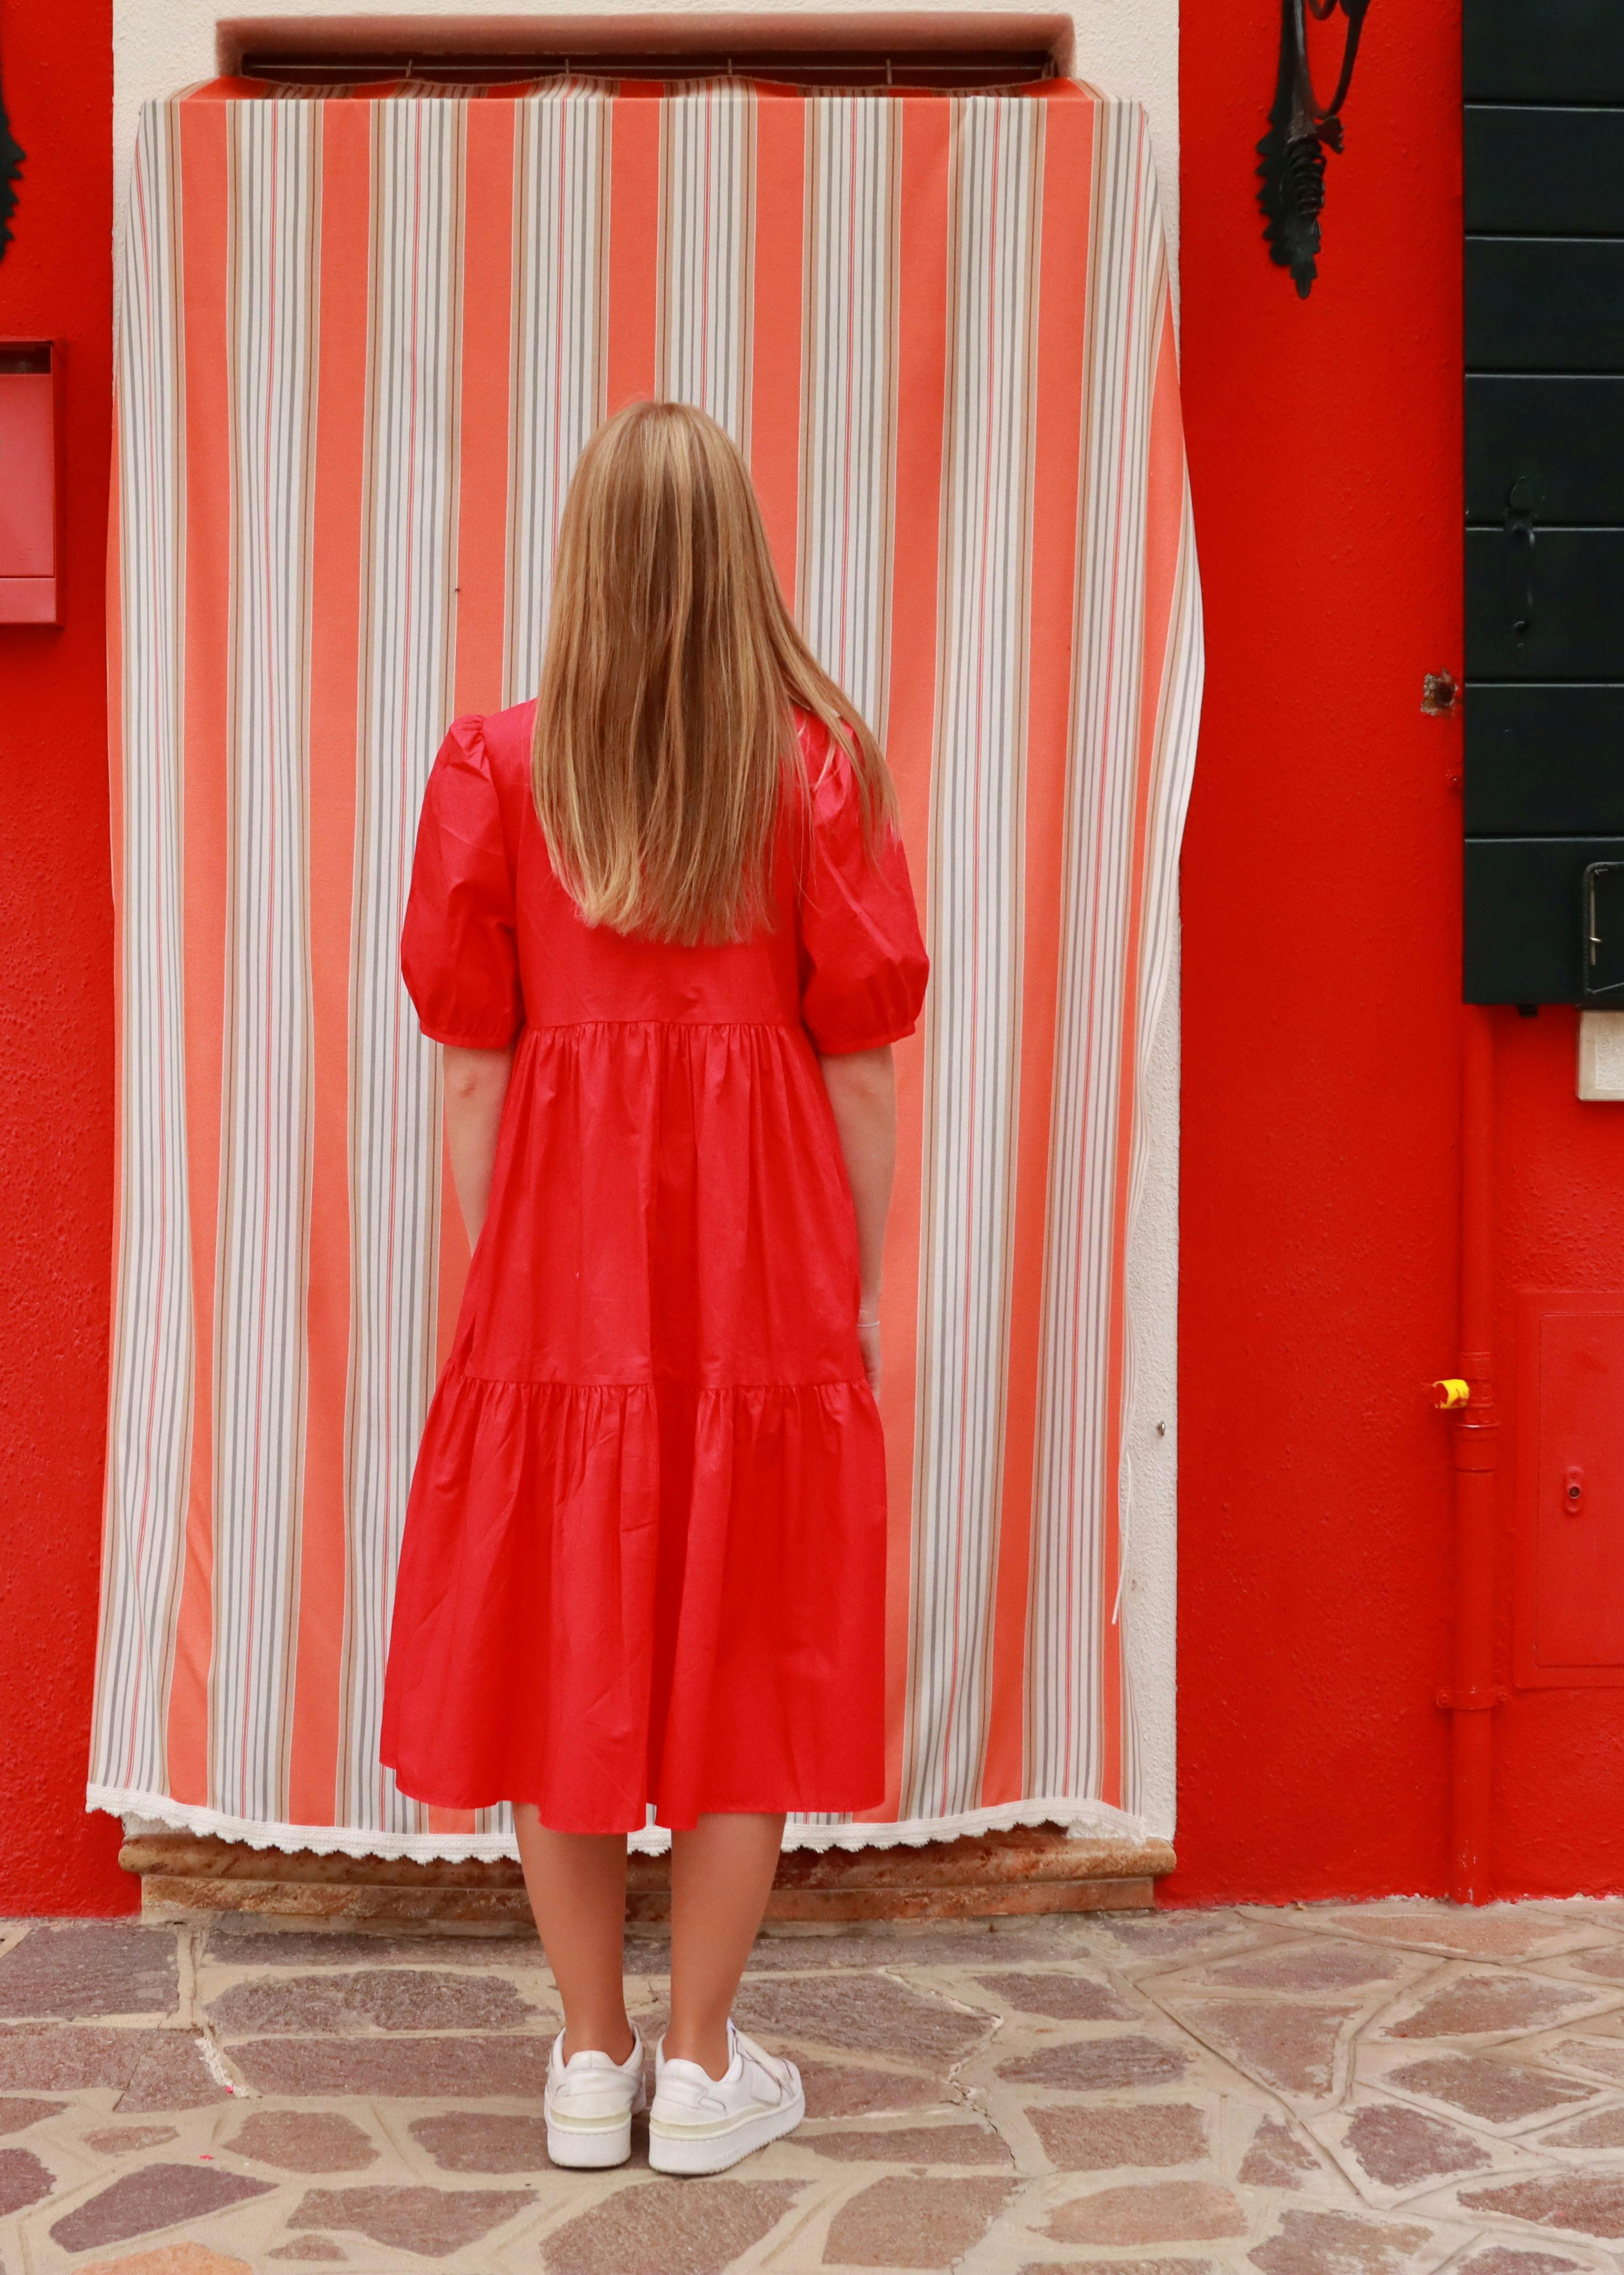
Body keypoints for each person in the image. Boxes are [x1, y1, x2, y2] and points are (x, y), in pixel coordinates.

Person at [383, 399, 928, 2177]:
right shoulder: (815, 768)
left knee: (566, 1632)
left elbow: (471, 1062)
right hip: (759, 1241)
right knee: (747, 1635)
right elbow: (860, 1063)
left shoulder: (495, 764)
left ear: (588, 563)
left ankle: (587, 2059)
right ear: (738, 559)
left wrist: (500, 1288)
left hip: (559, 1247)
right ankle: (702, 2069)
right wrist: (848, 1279)